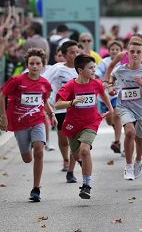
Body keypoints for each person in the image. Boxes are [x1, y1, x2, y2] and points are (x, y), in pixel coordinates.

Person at [0, 48, 55, 202]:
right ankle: (27, 148)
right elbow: (2, 95)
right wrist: (3, 116)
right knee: (27, 158)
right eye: (32, 63)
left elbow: (43, 101)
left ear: (43, 65)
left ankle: (36, 189)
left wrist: (51, 114)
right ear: (27, 65)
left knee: (39, 151)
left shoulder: (45, 83)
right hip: (19, 123)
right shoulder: (17, 80)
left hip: (37, 121)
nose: (35, 66)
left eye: (38, 63)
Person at [55, 54, 113, 199]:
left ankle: (86, 185)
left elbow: (102, 94)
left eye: (95, 67)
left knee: (85, 150)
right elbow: (57, 104)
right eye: (91, 68)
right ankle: (83, 165)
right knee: (76, 155)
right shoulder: (70, 85)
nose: (94, 70)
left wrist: (110, 109)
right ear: (80, 70)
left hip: (91, 122)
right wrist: (71, 102)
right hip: (73, 124)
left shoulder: (96, 83)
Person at [108, 41, 142, 181]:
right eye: (132, 51)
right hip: (124, 106)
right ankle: (129, 166)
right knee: (130, 132)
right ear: (127, 54)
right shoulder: (120, 70)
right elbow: (112, 77)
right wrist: (111, 88)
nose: (135, 54)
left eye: (138, 52)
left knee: (140, 137)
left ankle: (138, 159)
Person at [42, 40, 81, 181]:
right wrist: (48, 94)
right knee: (63, 139)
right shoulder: (58, 68)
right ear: (64, 55)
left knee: (74, 139)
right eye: (72, 52)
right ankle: (65, 159)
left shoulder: (82, 67)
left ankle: (70, 170)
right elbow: (43, 81)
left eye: (77, 52)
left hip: (78, 109)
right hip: (60, 108)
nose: (75, 55)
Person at [95, 40, 124, 154]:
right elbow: (97, 75)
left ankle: (117, 142)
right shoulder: (104, 62)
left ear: (121, 51)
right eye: (112, 49)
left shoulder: (123, 63)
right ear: (108, 51)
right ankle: (116, 130)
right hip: (104, 96)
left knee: (117, 115)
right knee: (109, 120)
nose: (115, 51)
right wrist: (101, 83)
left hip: (118, 94)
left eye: (117, 49)